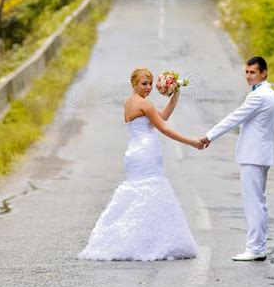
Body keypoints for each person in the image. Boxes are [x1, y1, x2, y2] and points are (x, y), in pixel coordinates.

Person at [78, 68, 203, 261]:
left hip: (134, 151)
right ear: (134, 84)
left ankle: (138, 239)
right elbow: (164, 128)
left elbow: (162, 117)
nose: (148, 87)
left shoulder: (130, 103)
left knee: (139, 193)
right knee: (150, 190)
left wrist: (175, 95)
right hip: (146, 152)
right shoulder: (144, 104)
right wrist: (192, 142)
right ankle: (149, 241)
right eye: (144, 84)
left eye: (151, 83)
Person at [201, 56, 274, 262]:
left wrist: (209, 136)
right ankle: (258, 246)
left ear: (264, 73)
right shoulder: (269, 94)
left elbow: (235, 117)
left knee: (253, 203)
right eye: (246, 72)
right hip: (260, 155)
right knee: (259, 202)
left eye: (252, 72)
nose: (248, 76)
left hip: (253, 156)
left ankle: (255, 248)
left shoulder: (259, 96)